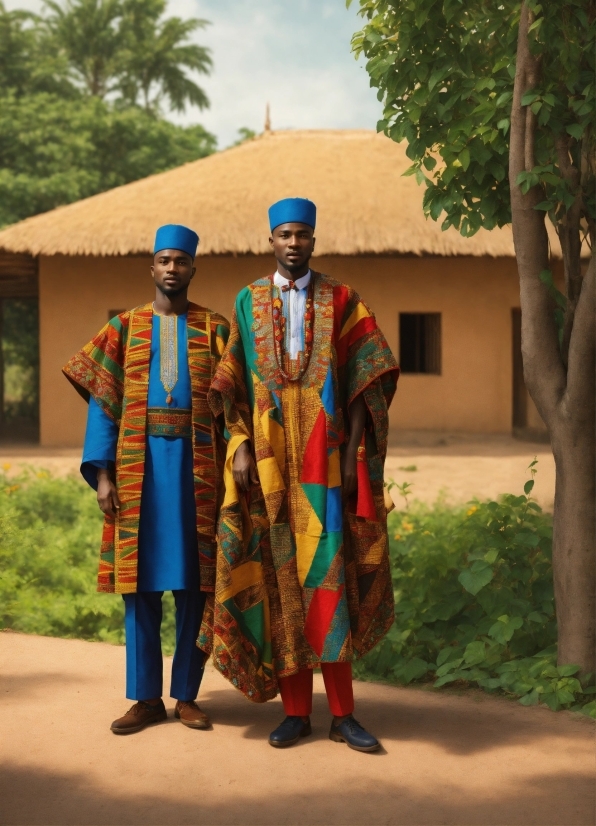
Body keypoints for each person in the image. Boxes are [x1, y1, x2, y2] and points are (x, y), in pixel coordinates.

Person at [201, 198, 399, 752]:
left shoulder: (342, 298)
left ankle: (342, 713)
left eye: (303, 235)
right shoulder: (247, 300)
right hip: (267, 455)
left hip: (326, 459)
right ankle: (295, 713)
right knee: (277, 573)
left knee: (327, 576)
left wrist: (354, 453)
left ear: (314, 239)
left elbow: (366, 376)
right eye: (285, 234)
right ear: (271, 239)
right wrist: (239, 444)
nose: (294, 243)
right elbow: (230, 382)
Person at [63, 224, 229, 735]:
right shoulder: (124, 327)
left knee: (195, 585)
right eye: (164, 260)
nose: (172, 268)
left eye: (181, 260)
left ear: (192, 268)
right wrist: (104, 474)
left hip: (198, 473)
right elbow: (103, 405)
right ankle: (145, 699)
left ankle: (186, 696)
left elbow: (235, 404)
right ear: (151, 268)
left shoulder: (215, 328)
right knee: (139, 587)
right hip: (138, 472)